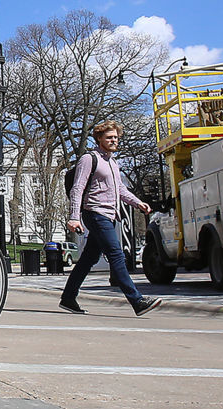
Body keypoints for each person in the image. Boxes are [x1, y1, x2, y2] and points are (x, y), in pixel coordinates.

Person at [60, 121, 158, 316]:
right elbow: (77, 188)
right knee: (116, 255)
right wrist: (74, 217)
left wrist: (137, 203)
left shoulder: (113, 162)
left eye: (115, 137)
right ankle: (137, 301)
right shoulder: (89, 159)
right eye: (109, 137)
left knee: (88, 259)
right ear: (99, 139)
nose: (114, 141)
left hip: (109, 215)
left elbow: (120, 189)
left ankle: (68, 298)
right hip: (95, 214)